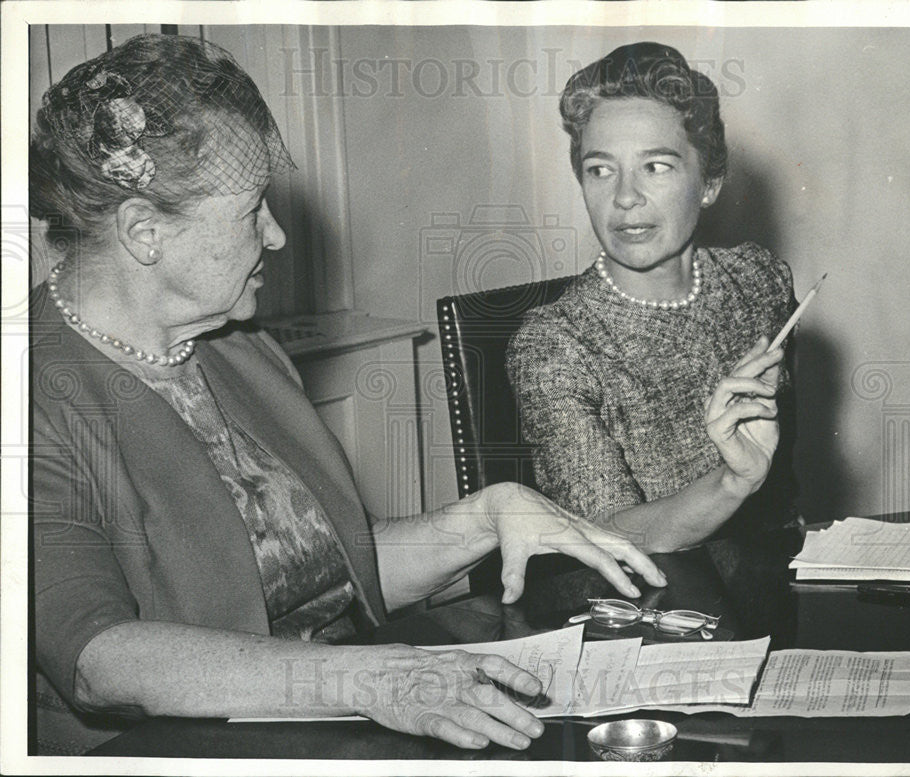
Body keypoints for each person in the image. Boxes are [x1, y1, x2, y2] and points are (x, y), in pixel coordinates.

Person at [28, 34, 667, 756]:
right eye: (251, 212)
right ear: (145, 231)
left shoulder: (237, 347)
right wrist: (368, 680)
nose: (275, 235)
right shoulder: (30, 395)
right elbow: (98, 659)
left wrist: (488, 514)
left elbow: (342, 567)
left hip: (320, 729)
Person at [506, 42, 798, 554]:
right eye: (600, 169)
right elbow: (607, 535)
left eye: (655, 166)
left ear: (709, 183)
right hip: (648, 610)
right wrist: (732, 481)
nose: (624, 197)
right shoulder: (555, 345)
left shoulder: (759, 281)